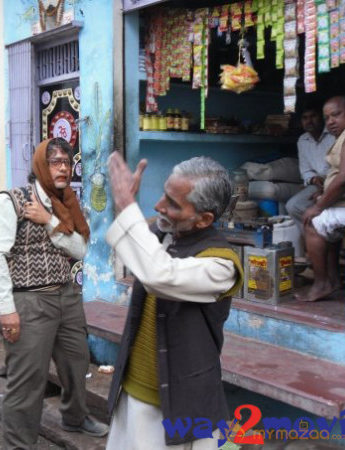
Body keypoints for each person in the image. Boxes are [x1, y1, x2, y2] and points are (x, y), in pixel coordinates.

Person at [105, 153, 244, 450]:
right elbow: (134, 248)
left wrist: (127, 206)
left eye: (173, 203)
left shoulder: (221, 265)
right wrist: (123, 206)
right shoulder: (162, 235)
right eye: (163, 195)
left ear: (204, 219)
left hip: (181, 404)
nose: (158, 207)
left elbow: (159, 275)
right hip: (133, 391)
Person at [0, 137, 108, 450]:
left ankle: (75, 417)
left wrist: (50, 220)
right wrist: (7, 309)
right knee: (27, 379)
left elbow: (79, 250)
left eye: (67, 161)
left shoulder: (67, 202)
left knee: (78, 364)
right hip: (28, 300)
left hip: (66, 295)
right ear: (41, 165)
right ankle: (18, 444)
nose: (63, 167)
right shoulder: (11, 201)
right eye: (56, 162)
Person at [297, 96, 345, 302]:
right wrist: (322, 195)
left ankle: (322, 283)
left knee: (313, 222)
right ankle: (333, 279)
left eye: (336, 115)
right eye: (327, 117)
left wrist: (320, 205)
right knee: (323, 218)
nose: (330, 121)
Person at [285, 105, 336, 236]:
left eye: (313, 116)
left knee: (326, 209)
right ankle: (312, 239)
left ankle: (331, 242)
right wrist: (313, 179)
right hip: (318, 184)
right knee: (293, 206)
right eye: (305, 118)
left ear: (322, 117)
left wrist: (324, 190)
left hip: (336, 182)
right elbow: (306, 171)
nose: (309, 121)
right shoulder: (303, 140)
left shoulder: (334, 135)